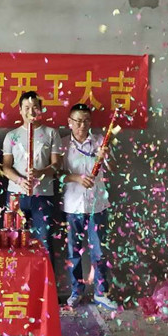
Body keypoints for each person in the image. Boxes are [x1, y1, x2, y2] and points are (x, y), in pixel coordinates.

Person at [60, 103, 117, 310]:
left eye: (85, 121)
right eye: (77, 121)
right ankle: (76, 292)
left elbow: (112, 168)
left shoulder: (101, 141)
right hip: (73, 205)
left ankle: (101, 293)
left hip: (97, 205)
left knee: (99, 252)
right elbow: (57, 174)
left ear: (90, 122)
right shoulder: (63, 144)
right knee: (73, 253)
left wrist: (105, 156)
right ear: (70, 122)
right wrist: (76, 178)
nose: (81, 125)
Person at [2, 91, 62, 253]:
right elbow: (6, 167)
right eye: (27, 107)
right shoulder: (11, 136)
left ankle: (44, 271)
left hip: (42, 195)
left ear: (40, 110)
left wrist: (39, 173)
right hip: (16, 195)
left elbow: (57, 165)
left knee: (43, 242)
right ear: (20, 110)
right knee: (13, 243)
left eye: (35, 107)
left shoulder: (51, 133)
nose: (31, 111)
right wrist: (20, 180)